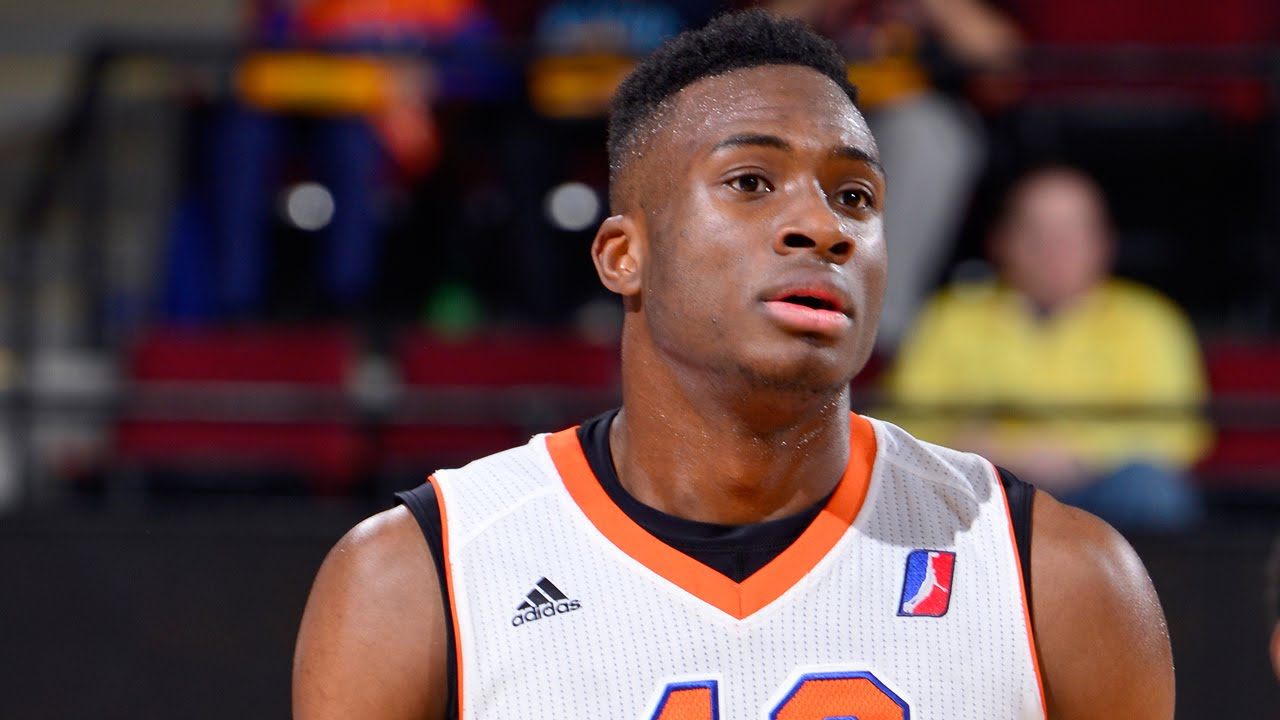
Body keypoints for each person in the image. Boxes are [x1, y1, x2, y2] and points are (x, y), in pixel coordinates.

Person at [294, 11, 1173, 719]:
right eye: (751, 182)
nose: (823, 227)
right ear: (624, 256)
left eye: (855, 196)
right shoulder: (420, 575)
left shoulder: (1057, 575)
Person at [887, 166, 1210, 530]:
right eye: (1034, 230)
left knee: (1150, 489)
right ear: (999, 240)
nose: (1054, 246)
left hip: (1099, 487)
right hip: (982, 489)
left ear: (1104, 243)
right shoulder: (951, 316)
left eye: (1071, 230)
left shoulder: (1150, 320)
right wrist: (971, 451)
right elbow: (902, 423)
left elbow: (1177, 436)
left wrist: (1083, 455)